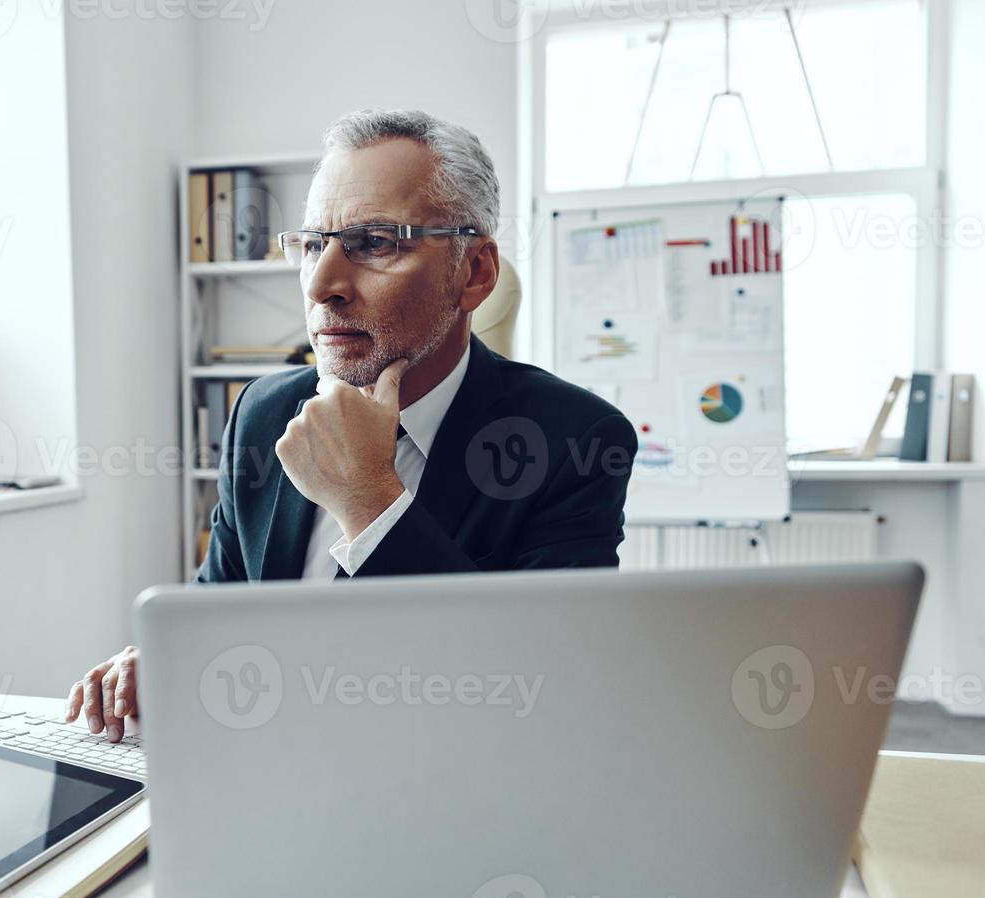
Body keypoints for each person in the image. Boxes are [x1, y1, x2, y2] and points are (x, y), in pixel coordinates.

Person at [67, 108, 637, 741]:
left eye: (375, 243)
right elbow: (221, 602)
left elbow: (537, 691)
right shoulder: (262, 414)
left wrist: (370, 501)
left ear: (474, 273)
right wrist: (170, 659)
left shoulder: (576, 440)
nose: (322, 284)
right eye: (313, 244)